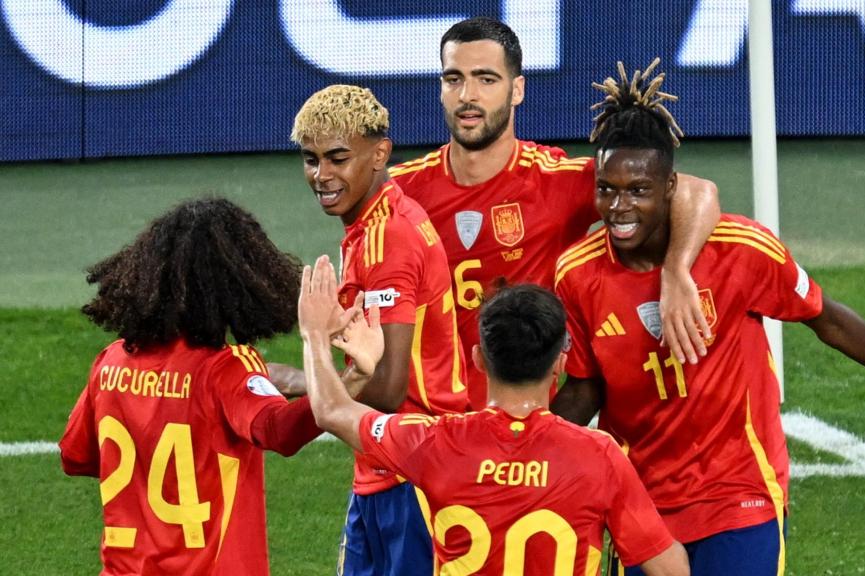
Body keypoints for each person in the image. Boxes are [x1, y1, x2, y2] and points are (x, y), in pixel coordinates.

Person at [550, 61, 865, 576]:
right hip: (641, 501)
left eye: (638, 190)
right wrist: (525, 444)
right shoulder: (577, 273)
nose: (618, 206)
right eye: (606, 188)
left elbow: (826, 319)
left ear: (671, 186)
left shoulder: (740, 250)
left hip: (739, 496)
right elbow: (587, 387)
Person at [389, 17, 723, 409]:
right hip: (428, 422)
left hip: (522, 416)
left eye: (486, 79)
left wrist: (676, 270)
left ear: (517, 90)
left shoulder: (556, 181)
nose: (467, 95)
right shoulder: (400, 190)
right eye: (453, 79)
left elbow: (698, 191)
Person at [298, 253, 692, 576]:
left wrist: (315, 335)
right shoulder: (600, 456)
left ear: (478, 359)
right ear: (560, 364)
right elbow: (670, 569)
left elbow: (331, 409)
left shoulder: (433, 441)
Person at [59, 198, 323, 575]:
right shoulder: (225, 368)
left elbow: (76, 457)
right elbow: (278, 430)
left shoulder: (111, 363)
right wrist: (345, 387)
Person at [280, 84, 469, 576]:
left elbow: (387, 386)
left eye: (337, 158)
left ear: (379, 153)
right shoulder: (370, 226)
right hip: (385, 467)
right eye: (310, 159)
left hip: (414, 474)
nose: (321, 175)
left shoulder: (389, 237)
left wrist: (307, 365)